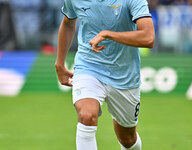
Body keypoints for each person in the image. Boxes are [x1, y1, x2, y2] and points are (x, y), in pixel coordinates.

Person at [55, 0, 155, 149]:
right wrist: (60, 63)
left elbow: (148, 38)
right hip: (88, 66)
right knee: (86, 116)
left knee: (127, 139)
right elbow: (68, 23)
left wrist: (108, 35)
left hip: (125, 75)